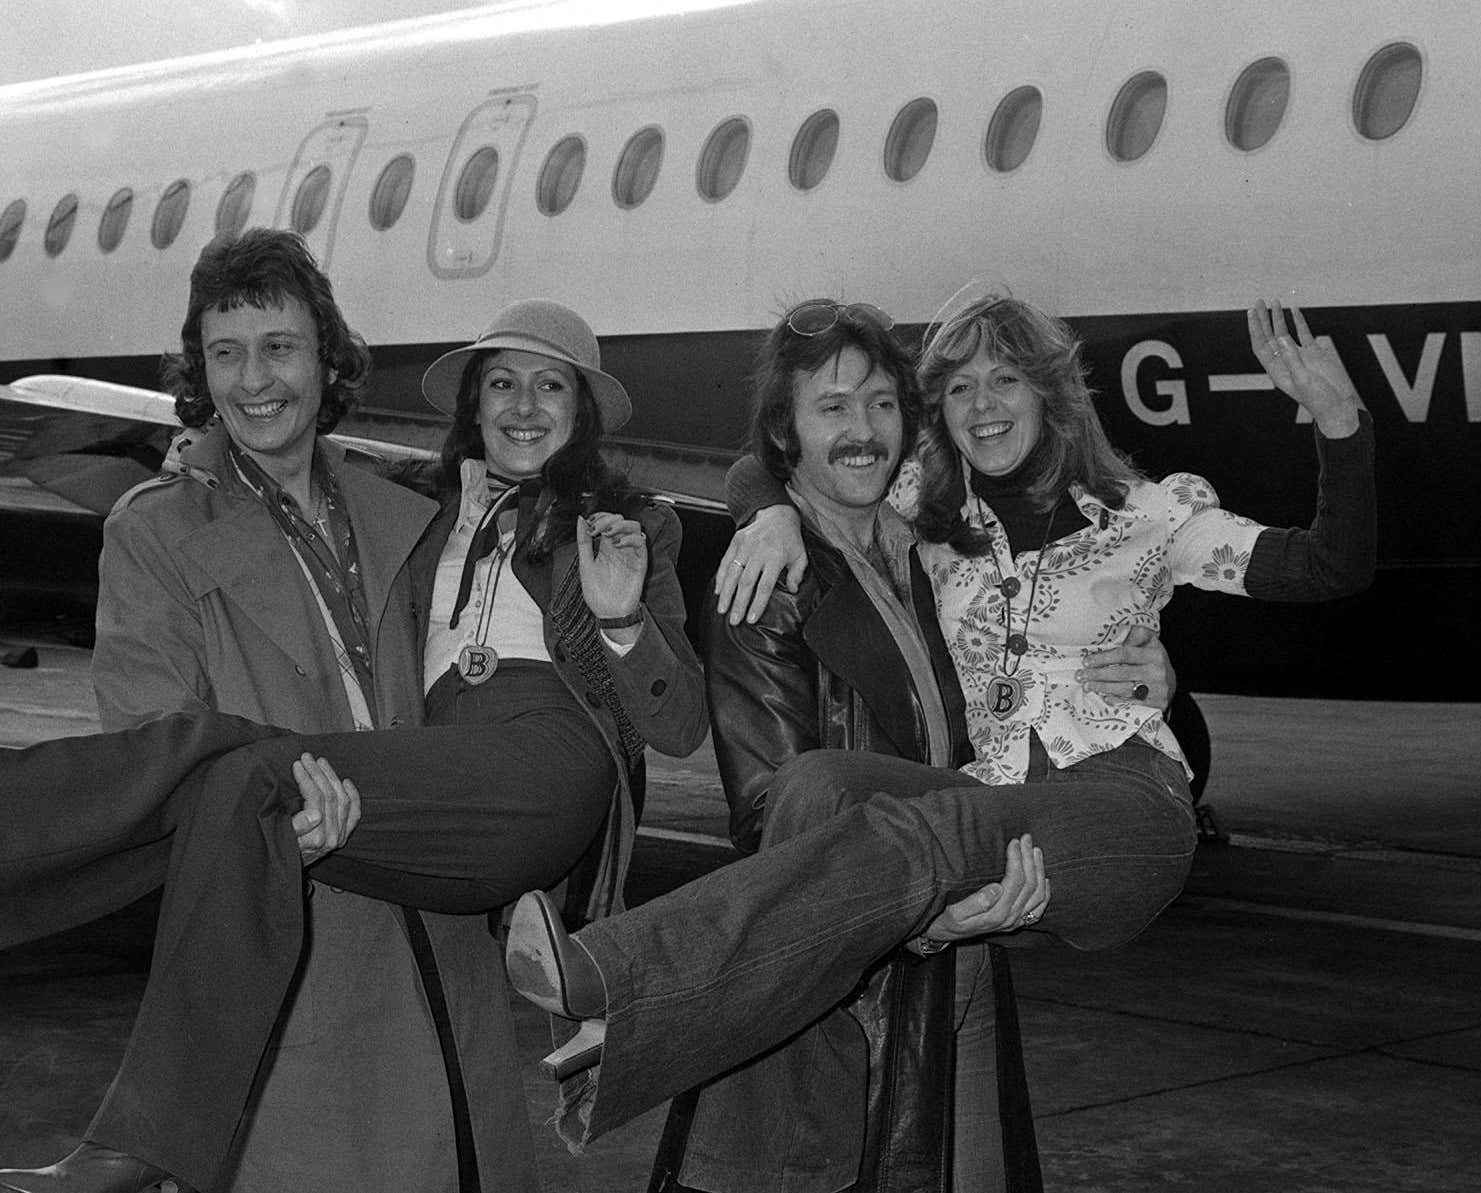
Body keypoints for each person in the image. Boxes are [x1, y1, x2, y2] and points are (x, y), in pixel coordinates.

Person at [0, 294, 707, 1193]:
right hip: (443, 787)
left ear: (583, 408)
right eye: (501, 381)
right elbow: (282, 467)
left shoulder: (630, 525)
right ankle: (133, 1132)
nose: (523, 405)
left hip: (544, 766)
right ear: (473, 402)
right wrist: (201, 456)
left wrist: (623, 621)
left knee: (241, 769)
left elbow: (678, 723)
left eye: (549, 385)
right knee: (223, 766)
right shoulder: (417, 503)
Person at [502, 292, 1375, 1147]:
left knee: (939, 824)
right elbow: (786, 455)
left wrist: (1340, 425)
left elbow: (1327, 565)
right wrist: (764, 511)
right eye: (958, 387)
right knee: (820, 782)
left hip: (1120, 808)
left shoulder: (1151, 516)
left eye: (1005, 380)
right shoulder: (936, 514)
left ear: (1050, 390)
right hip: (991, 810)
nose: (983, 406)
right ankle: (732, 1083)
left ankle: (614, 976)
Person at [666, 298, 1173, 1193]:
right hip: (844, 984)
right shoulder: (768, 581)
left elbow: (1028, 680)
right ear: (787, 436)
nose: (862, 431)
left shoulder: (942, 555)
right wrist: (923, 913)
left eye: (881, 405)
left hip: (962, 949)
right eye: (831, 408)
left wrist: (1144, 670)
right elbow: (771, 814)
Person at [90, 227, 510, 1193]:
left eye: (278, 347)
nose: (253, 381)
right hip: (288, 941)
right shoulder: (155, 533)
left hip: (442, 938)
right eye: (224, 354)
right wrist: (268, 815)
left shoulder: (402, 513)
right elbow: (151, 750)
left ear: (327, 355)